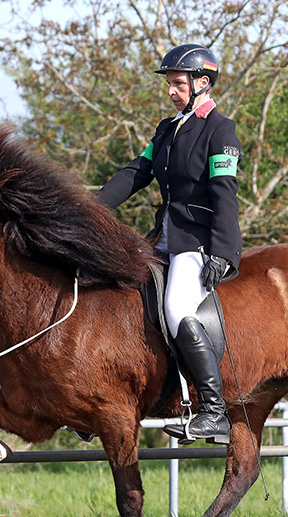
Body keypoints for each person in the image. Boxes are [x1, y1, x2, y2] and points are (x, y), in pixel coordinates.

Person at [98, 43, 242, 444]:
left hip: (197, 240)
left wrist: (222, 251)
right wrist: (88, 209)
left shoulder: (221, 131)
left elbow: (225, 195)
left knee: (178, 308)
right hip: (162, 235)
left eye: (178, 83)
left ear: (202, 84)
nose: (170, 90)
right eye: (170, 83)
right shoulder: (167, 129)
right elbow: (135, 172)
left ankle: (213, 411)